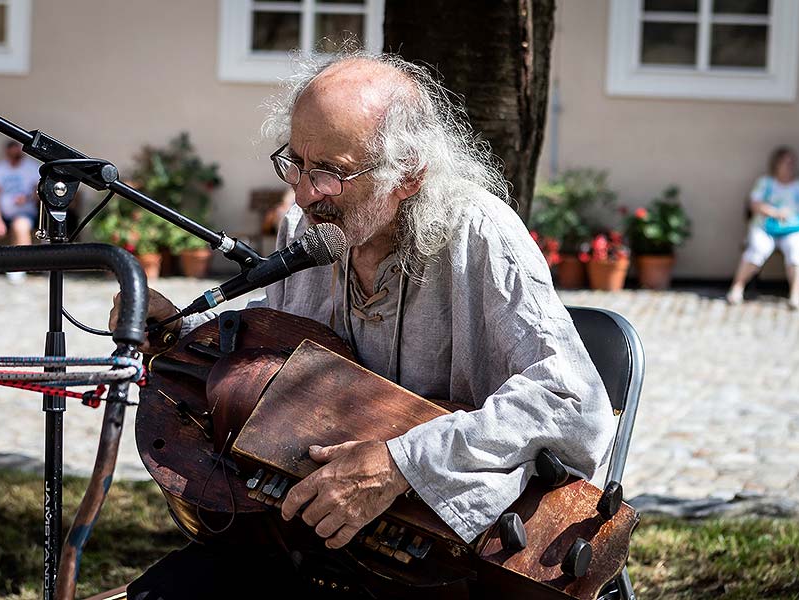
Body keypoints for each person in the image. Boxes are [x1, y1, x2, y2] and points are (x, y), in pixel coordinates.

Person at [112, 52, 615, 599]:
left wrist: (400, 464)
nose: (305, 193)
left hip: (442, 558)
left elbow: (572, 405)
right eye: (296, 163)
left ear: (409, 174)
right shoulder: (307, 228)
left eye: (331, 171)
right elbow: (276, 339)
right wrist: (183, 328)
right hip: (307, 535)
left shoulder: (481, 237)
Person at [726, 147, 799, 310]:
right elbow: (754, 204)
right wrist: (775, 213)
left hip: (793, 230)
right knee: (758, 249)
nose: (790, 166)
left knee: (796, 250)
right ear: (776, 164)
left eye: (792, 162)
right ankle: (737, 287)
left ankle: (796, 295)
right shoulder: (765, 183)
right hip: (765, 227)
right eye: (786, 162)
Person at [0, 140, 40, 283]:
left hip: (26, 213)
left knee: (20, 226)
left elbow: (39, 192)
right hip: (4, 214)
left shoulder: (32, 168)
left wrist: (27, 198)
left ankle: (20, 266)